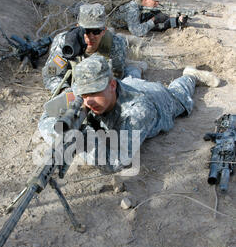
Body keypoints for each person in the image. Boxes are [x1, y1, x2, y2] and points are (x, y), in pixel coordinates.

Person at [38, 54, 220, 173]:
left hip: (158, 98)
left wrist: (81, 142)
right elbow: (45, 117)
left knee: (180, 95)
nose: (88, 101)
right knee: (131, 78)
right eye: (83, 95)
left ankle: (190, 76)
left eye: (94, 93)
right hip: (128, 83)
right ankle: (136, 69)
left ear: (111, 85)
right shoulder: (96, 95)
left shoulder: (138, 111)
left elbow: (116, 160)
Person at [42, 3, 145, 95]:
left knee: (131, 78)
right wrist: (64, 91)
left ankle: (137, 67)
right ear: (77, 28)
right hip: (72, 85)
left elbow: (116, 77)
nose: (90, 37)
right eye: (85, 31)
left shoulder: (115, 44)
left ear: (104, 30)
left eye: (96, 31)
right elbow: (51, 74)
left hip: (99, 85)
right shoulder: (63, 42)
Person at [109, 0, 186, 37]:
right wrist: (155, 20)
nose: (157, 3)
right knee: (153, 22)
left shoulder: (138, 1)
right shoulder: (133, 9)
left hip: (134, 20)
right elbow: (137, 32)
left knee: (155, 14)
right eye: (155, 1)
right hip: (118, 25)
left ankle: (175, 22)